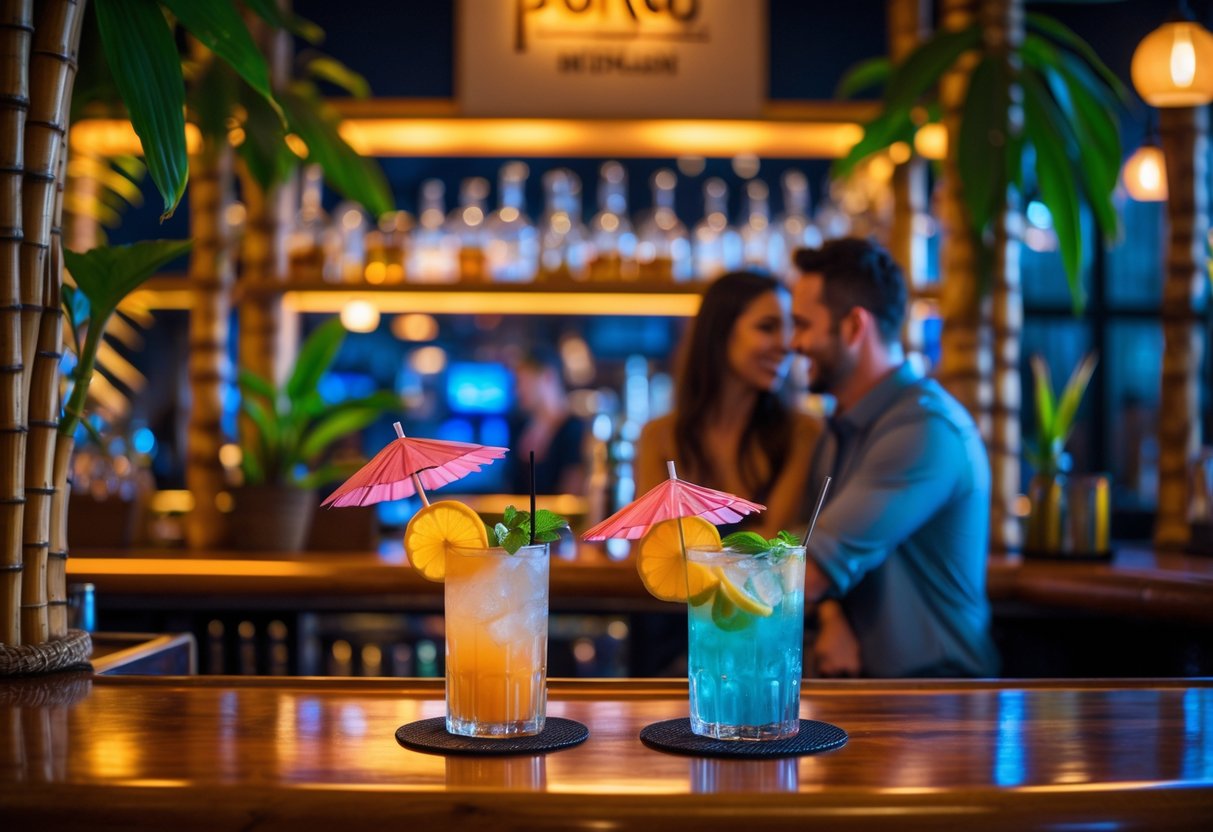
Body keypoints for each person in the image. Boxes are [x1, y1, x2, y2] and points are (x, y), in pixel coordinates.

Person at [790, 238, 999, 678]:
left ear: (852, 328)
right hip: (874, 691)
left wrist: (705, 566)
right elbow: (827, 555)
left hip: (942, 698)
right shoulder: (841, 426)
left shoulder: (924, 430)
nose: (795, 343)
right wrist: (834, 617)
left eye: (803, 325)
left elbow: (809, 572)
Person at [635, 270, 821, 537]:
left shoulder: (802, 432)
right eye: (767, 327)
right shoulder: (659, 437)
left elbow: (770, 544)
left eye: (790, 329)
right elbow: (652, 545)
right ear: (719, 332)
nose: (787, 344)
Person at [509, 346, 585, 495]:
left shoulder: (573, 429)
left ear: (547, 376)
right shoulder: (519, 427)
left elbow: (571, 497)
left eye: (523, 381)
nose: (517, 391)